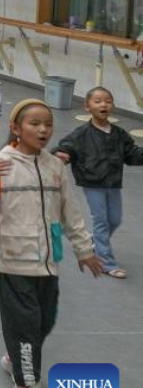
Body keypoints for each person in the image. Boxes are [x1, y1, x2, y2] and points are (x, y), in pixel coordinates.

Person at [0, 99, 102, 388]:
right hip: (13, 259)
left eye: (48, 124)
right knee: (25, 326)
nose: (43, 129)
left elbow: (70, 211)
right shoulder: (0, 162)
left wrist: (84, 248)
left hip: (49, 259)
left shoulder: (54, 166)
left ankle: (15, 357)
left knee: (44, 320)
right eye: (34, 123)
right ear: (15, 128)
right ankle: (25, 387)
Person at [53, 87, 143, 280]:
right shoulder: (81, 134)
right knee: (101, 220)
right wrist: (59, 155)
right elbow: (64, 148)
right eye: (98, 101)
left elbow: (131, 154)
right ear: (87, 107)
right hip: (92, 183)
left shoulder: (119, 134)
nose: (104, 104)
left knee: (115, 220)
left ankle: (93, 243)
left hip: (113, 183)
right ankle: (106, 263)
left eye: (108, 101)